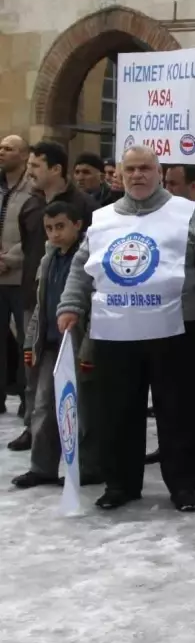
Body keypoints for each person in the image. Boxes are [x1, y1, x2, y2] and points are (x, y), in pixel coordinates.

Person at [56, 145, 195, 512]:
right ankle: (120, 483)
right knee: (116, 412)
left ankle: (183, 486)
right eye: (130, 169)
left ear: (159, 171)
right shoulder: (102, 219)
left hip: (178, 329)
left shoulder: (189, 214)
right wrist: (71, 305)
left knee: (181, 412)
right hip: (115, 333)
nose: (137, 175)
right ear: (119, 174)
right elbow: (80, 268)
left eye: (145, 168)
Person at [9, 141, 92, 450]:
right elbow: (31, 248)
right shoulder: (31, 204)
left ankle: (78, 449)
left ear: (56, 170)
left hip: (73, 310)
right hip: (36, 295)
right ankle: (34, 430)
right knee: (35, 374)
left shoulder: (82, 205)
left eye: (35, 166)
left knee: (74, 386)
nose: (29, 171)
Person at [11, 202, 97, 489]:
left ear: (78, 225)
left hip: (77, 342)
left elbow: (94, 305)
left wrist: (89, 347)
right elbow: (40, 303)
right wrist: (30, 339)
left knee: (82, 408)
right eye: (49, 228)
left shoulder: (89, 258)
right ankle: (42, 466)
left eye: (61, 226)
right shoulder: (48, 259)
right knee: (44, 406)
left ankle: (88, 466)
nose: (54, 234)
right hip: (49, 343)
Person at [0, 134, 33, 419]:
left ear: (23, 155)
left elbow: (35, 233)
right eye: (0, 147)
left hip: (20, 276)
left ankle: (26, 396)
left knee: (25, 339)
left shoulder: (32, 190)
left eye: (8, 148)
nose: (2, 152)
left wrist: (9, 260)